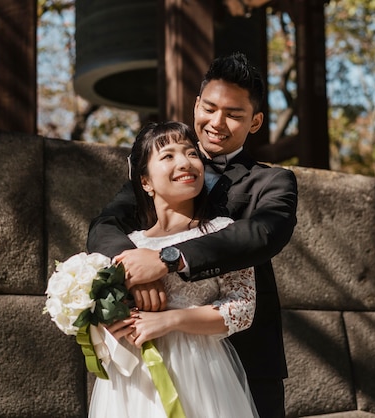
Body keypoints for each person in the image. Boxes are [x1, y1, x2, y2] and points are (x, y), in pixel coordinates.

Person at [87, 52, 298, 418]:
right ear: (196, 104)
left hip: (244, 356)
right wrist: (131, 269)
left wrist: (167, 259)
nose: (217, 122)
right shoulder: (158, 172)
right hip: (147, 364)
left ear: (256, 121)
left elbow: (264, 233)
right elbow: (104, 226)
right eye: (210, 108)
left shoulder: (272, 181)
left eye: (233, 114)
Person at [88, 121, 259, 417]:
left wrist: (169, 321)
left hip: (199, 370)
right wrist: (111, 325)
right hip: (132, 379)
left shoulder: (222, 232)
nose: (185, 162)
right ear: (145, 182)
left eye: (192, 154)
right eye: (168, 156)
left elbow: (243, 309)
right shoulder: (129, 246)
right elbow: (108, 309)